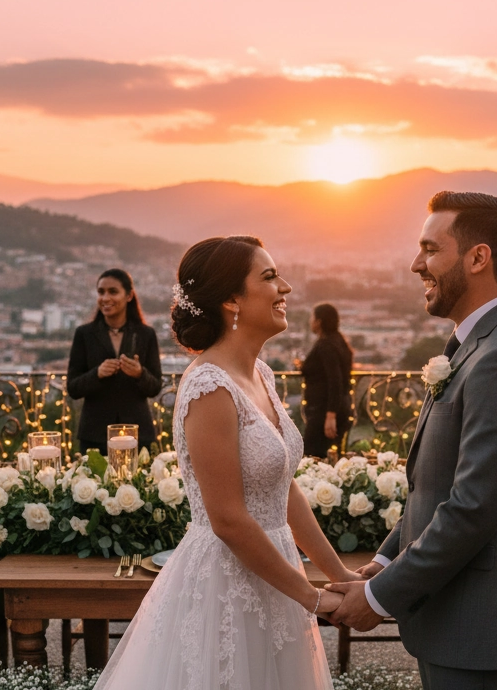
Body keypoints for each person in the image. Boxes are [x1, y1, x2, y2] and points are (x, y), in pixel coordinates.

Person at [94, 236, 358, 689]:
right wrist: (312, 598)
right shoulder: (210, 387)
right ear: (232, 300)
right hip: (227, 584)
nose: (285, 288)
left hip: (278, 573)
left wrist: (341, 576)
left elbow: (281, 488)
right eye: (270, 277)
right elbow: (229, 520)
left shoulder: (261, 374)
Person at [326, 192, 497, 690]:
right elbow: (434, 488)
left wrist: (379, 598)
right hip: (456, 621)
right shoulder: (478, 346)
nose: (417, 264)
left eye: (431, 250)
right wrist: (384, 562)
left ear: (478, 258)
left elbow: (472, 508)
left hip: (481, 628)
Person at [67, 269, 162, 453]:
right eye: (101, 292)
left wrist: (140, 374)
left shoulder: (145, 334)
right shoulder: (84, 334)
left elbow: (155, 387)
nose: (105, 298)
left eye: (113, 291)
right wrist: (97, 374)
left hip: (137, 433)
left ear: (129, 296)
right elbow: (73, 388)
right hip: (95, 435)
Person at [300, 303, 353, 458]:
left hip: (324, 411)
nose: (310, 321)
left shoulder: (326, 345)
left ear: (319, 321)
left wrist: (330, 416)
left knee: (312, 457)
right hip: (338, 407)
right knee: (328, 457)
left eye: (312, 318)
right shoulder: (338, 341)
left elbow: (335, 380)